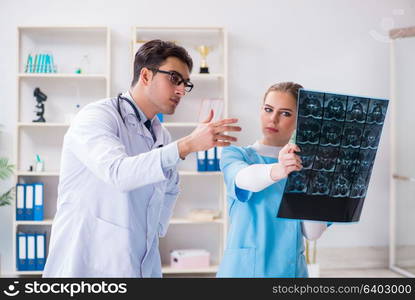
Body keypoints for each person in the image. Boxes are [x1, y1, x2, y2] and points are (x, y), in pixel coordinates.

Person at [43, 40, 241, 278]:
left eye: (185, 84)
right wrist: (187, 145)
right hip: (88, 263)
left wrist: (154, 229)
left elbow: (169, 187)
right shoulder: (97, 116)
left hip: (140, 263)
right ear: (146, 75)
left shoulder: (160, 133)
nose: (181, 90)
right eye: (174, 79)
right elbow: (118, 173)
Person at [217, 82, 330, 278]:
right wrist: (280, 169)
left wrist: (309, 177)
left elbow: (312, 233)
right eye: (268, 110)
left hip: (290, 272)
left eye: (285, 113)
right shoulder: (235, 154)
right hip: (243, 272)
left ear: (301, 120)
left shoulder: (307, 166)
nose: (273, 119)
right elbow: (244, 179)